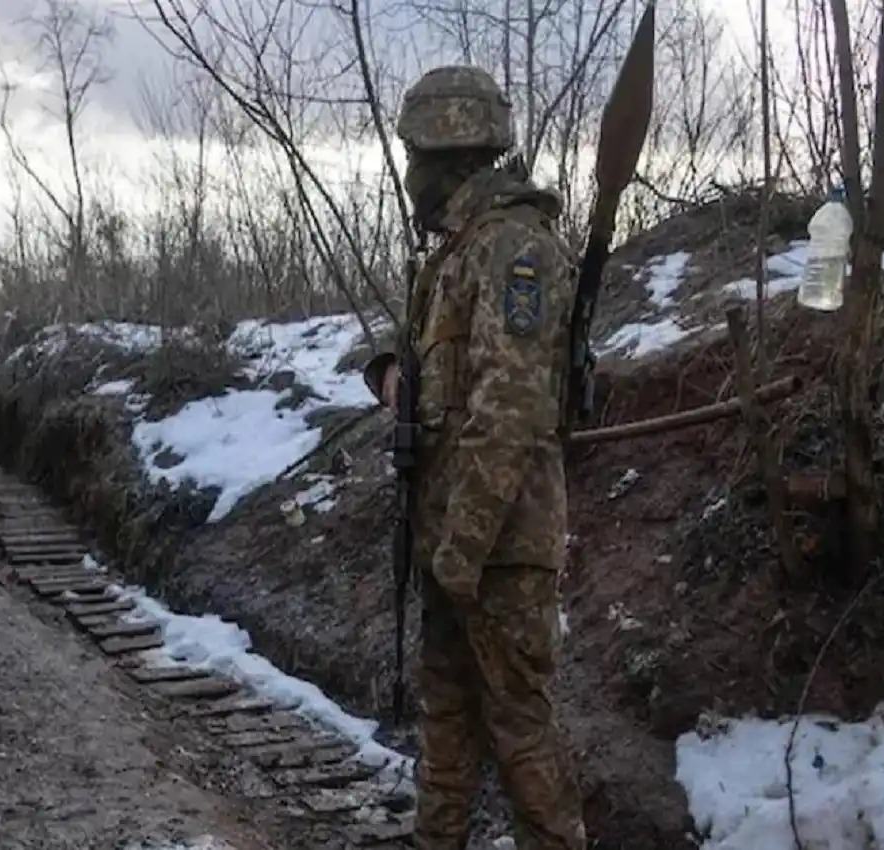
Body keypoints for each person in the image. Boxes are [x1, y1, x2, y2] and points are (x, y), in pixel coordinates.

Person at [362, 65, 585, 850]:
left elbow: (510, 411)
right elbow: (448, 379)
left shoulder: (513, 249)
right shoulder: (456, 254)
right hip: (454, 544)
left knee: (520, 735)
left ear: (448, 154)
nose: (410, 176)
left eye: (415, 157)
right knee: (447, 729)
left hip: (499, 551)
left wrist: (461, 550)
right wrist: (393, 374)